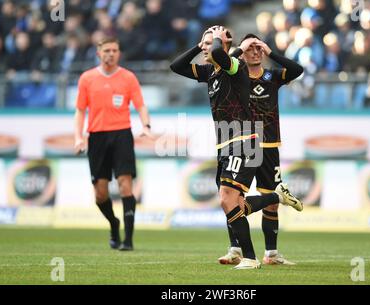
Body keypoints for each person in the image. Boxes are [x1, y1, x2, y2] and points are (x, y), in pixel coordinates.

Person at [170, 26, 303, 269]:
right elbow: (176, 66)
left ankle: (256, 254)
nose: (209, 47)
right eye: (207, 44)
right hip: (227, 142)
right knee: (231, 200)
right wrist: (200, 45)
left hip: (245, 140)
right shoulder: (211, 71)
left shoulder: (235, 66)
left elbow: (225, 55)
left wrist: (225, 42)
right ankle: (243, 247)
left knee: (229, 198)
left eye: (212, 44)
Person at [218, 33, 304, 266]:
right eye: (250, 48)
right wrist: (238, 49)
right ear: (242, 53)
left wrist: (271, 51)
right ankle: (236, 249)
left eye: (258, 48)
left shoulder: (272, 76)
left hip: (270, 145)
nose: (255, 52)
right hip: (245, 143)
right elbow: (223, 64)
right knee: (234, 196)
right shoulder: (237, 75)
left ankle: (271, 254)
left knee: (271, 202)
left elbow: (297, 70)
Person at [74, 37, 152, 251]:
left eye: (115, 50)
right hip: (97, 136)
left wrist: (146, 126)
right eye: (106, 50)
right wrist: (78, 137)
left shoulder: (128, 78)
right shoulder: (87, 78)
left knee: (125, 184)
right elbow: (80, 110)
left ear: (119, 53)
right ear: (98, 53)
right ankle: (113, 223)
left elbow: (140, 104)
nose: (111, 53)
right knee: (100, 193)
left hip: (121, 135)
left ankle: (128, 239)